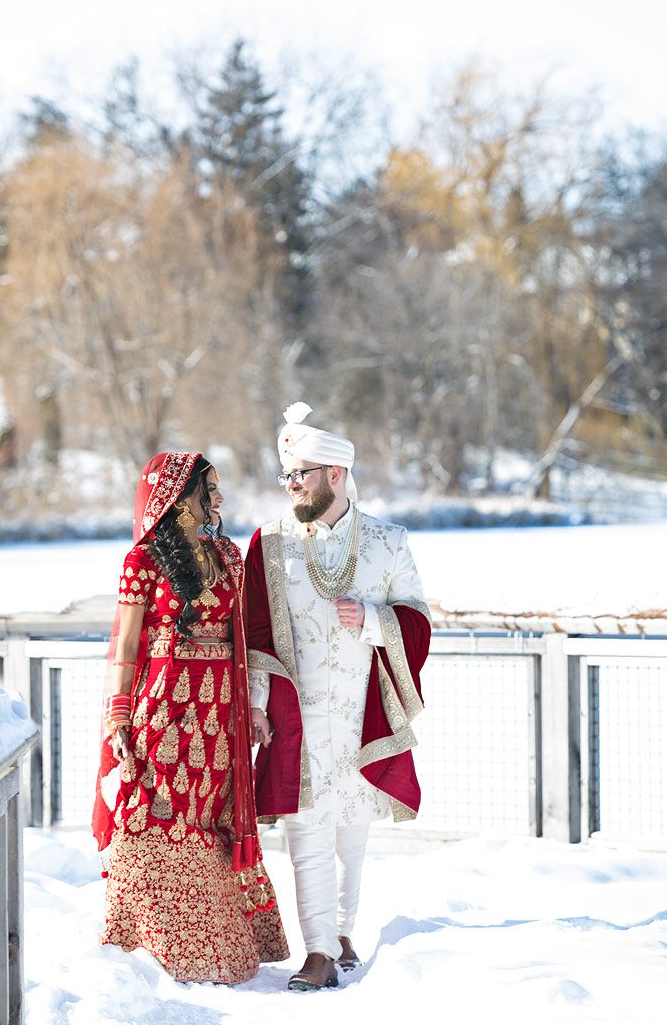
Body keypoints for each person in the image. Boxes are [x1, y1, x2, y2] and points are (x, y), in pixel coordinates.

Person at [245, 403, 431, 991]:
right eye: (286, 475)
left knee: (353, 826)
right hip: (295, 713)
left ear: (335, 474)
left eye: (300, 473)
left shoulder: (388, 541)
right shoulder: (270, 544)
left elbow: (419, 620)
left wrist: (375, 621)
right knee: (305, 830)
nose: (291, 484)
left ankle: (344, 934)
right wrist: (253, 702)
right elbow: (252, 631)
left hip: (362, 713)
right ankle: (318, 952)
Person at [92, 451, 289, 984]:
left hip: (220, 705)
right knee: (155, 807)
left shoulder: (228, 554)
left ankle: (216, 949)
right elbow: (128, 645)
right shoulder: (143, 561)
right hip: (165, 706)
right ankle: (153, 945)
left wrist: (252, 705)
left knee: (210, 811)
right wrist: (118, 716)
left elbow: (246, 638)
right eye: (210, 489)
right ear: (180, 496)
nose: (220, 499)